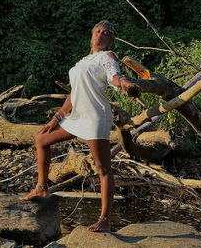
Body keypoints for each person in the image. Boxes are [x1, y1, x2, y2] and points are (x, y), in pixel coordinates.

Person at [20, 20, 134, 232]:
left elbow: (114, 76)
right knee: (41, 139)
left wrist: (124, 83)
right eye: (98, 31)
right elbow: (73, 94)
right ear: (92, 35)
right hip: (76, 116)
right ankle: (41, 188)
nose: (100, 34)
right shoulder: (83, 61)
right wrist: (57, 117)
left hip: (95, 116)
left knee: (103, 169)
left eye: (106, 33)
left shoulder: (107, 57)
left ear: (111, 40)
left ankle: (105, 220)